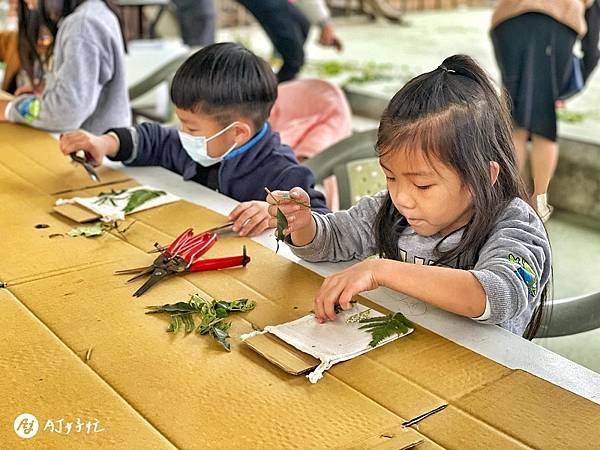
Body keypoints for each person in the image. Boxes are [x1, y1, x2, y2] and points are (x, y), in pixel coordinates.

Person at [267, 55, 552, 339]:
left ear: (484, 177)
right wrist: (303, 224)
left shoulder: (515, 225)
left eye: (423, 185)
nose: (402, 198)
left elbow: (497, 295)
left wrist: (381, 270)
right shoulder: (389, 210)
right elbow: (331, 240)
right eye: (391, 177)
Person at [59, 43, 329, 237]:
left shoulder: (283, 173)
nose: (182, 134)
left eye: (192, 128)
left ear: (238, 133)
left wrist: (276, 215)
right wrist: (104, 144)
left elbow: (322, 221)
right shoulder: (193, 144)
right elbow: (152, 138)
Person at [491, 0, 600, 221]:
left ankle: (513, 198)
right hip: (554, 18)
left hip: (507, 21)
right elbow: (592, 39)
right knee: (541, 120)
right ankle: (537, 202)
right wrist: (568, 85)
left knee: (515, 119)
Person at [0, 0, 130, 133]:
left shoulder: (82, 26)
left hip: (90, 148)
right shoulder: (90, 14)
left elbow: (67, 111)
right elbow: (83, 88)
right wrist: (48, 91)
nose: (27, 2)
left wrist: (10, 109)